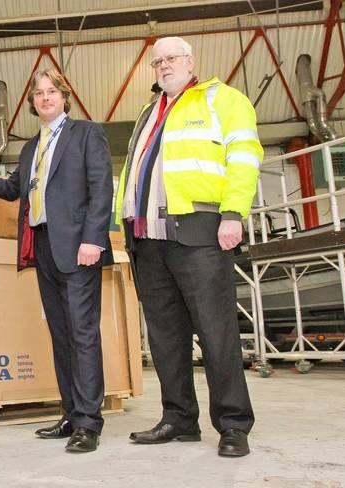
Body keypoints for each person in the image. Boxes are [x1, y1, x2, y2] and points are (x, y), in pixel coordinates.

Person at [114, 36, 262, 457]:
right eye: (157, 61)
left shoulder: (222, 99)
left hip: (200, 231)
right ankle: (179, 418)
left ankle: (233, 424)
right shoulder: (149, 112)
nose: (163, 66)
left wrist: (233, 213)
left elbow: (244, 156)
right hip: (149, 239)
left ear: (190, 61)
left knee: (217, 333)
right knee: (165, 337)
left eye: (171, 58)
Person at [0, 69, 113, 453]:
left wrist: (93, 240)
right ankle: (70, 412)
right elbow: (11, 189)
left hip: (79, 247)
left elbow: (101, 187)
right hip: (44, 246)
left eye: (52, 92)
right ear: (31, 102)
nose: (45, 97)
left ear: (65, 96)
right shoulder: (32, 147)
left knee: (83, 333)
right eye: (38, 93)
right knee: (62, 334)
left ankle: (88, 421)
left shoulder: (86, 133)